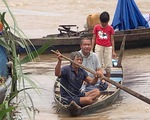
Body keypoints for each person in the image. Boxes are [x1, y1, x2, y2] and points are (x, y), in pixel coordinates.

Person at [92, 11, 116, 79]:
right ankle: (99, 78)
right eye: (103, 23)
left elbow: (112, 40)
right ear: (100, 20)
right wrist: (91, 48)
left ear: (108, 21)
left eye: (106, 23)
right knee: (98, 62)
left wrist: (113, 51)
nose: (104, 24)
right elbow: (93, 38)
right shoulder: (96, 27)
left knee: (108, 64)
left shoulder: (110, 28)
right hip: (99, 46)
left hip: (108, 47)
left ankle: (107, 79)